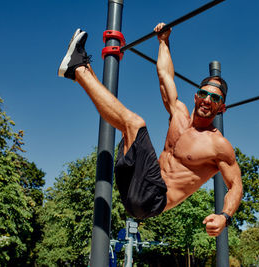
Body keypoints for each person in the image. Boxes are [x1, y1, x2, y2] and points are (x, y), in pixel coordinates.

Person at [57, 23, 243, 237]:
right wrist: (163, 41)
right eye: (203, 94)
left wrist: (225, 217)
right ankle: (83, 69)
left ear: (222, 108)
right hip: (134, 184)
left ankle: (77, 69)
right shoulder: (178, 113)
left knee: (134, 124)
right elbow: (165, 76)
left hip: (153, 199)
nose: (207, 100)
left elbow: (235, 185)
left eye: (215, 98)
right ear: (196, 95)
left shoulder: (219, 145)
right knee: (129, 129)